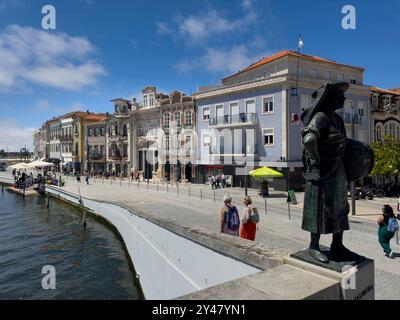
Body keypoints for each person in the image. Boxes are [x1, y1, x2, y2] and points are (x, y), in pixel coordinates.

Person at [301, 82, 374, 263]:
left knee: (340, 208)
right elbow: (309, 139)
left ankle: (337, 245)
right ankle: (314, 246)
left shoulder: (337, 119)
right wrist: (317, 158)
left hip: (338, 171)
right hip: (323, 173)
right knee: (318, 209)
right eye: (340, 96)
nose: (344, 99)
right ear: (331, 99)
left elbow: (343, 142)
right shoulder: (321, 117)